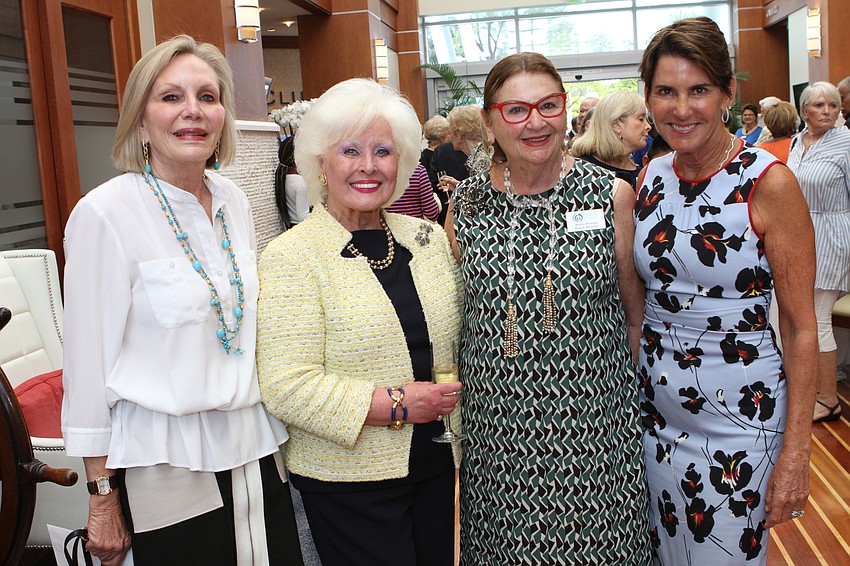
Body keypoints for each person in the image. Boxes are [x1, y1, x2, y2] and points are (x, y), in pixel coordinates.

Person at [61, 35, 304, 566]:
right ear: (140, 119)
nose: (192, 111)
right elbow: (86, 369)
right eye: (170, 97)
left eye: (208, 97)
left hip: (256, 445)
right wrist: (101, 497)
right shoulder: (105, 213)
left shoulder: (233, 199)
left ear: (223, 117)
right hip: (165, 460)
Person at [447, 52, 652, 564]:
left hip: (597, 429)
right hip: (501, 436)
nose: (535, 122)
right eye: (516, 110)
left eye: (548, 105)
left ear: (566, 111)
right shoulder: (465, 206)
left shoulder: (611, 194)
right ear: (491, 121)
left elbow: (633, 314)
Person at [256, 78, 464, 566]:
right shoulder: (292, 256)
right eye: (350, 150)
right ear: (321, 164)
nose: (368, 166)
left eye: (383, 151)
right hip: (348, 480)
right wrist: (396, 405)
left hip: (436, 463)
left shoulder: (427, 238)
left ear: (405, 163)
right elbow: (286, 385)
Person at [636, 17, 817, 564]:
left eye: (699, 91)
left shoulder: (770, 182)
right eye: (666, 91)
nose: (681, 108)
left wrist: (796, 452)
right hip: (655, 415)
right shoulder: (651, 174)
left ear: (728, 93)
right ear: (648, 97)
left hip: (740, 419)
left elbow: (803, 327)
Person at [786, 81, 850, 423]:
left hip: (833, 236)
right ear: (804, 109)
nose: (827, 111)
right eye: (819, 105)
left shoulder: (846, 143)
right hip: (801, 235)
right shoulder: (798, 141)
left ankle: (829, 399)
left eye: (833, 106)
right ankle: (809, 388)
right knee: (801, 315)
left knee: (817, 317)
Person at [571, 90, 652, 187]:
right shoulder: (582, 173)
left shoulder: (643, 175)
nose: (648, 126)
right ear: (617, 125)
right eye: (641, 119)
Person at [274, 135, 310, 229]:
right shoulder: (300, 182)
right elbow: (303, 216)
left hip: (292, 228)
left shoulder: (283, 177)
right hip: (302, 231)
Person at [421, 114, 451, 184]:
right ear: (442, 138)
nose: (451, 136)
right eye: (449, 133)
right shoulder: (441, 157)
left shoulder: (422, 156)